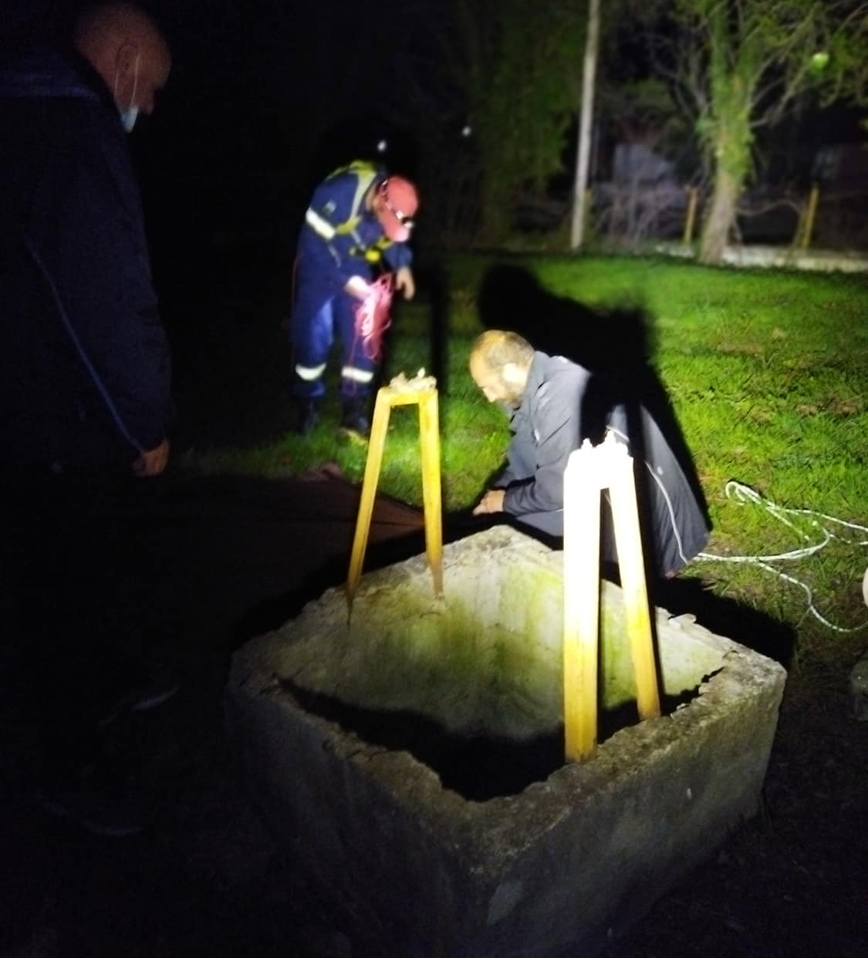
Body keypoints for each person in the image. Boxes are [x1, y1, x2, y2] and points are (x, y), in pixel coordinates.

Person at [0, 2, 175, 834]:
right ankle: (70, 769)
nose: (151, 107)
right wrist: (143, 421)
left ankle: (107, 681)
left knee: (68, 571)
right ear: (125, 59)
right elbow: (99, 298)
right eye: (153, 87)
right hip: (54, 422)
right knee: (62, 585)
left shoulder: (23, 111)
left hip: (31, 407)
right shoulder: (73, 133)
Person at [469, 330, 710, 578]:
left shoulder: (557, 394)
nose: (489, 397)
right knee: (514, 515)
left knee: (524, 528)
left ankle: (645, 571)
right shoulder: (534, 382)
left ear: (510, 371)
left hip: (644, 504)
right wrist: (495, 495)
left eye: (488, 386)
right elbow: (525, 454)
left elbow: (556, 492)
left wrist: (505, 501)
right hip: (596, 483)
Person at [289, 160, 419, 435]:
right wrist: (345, 281)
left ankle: (353, 411)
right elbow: (312, 247)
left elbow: (392, 239)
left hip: (354, 267)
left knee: (365, 337)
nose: (385, 228)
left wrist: (403, 266)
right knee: (314, 340)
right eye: (386, 221)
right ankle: (307, 406)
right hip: (318, 268)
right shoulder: (335, 193)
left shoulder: (389, 205)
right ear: (379, 200)